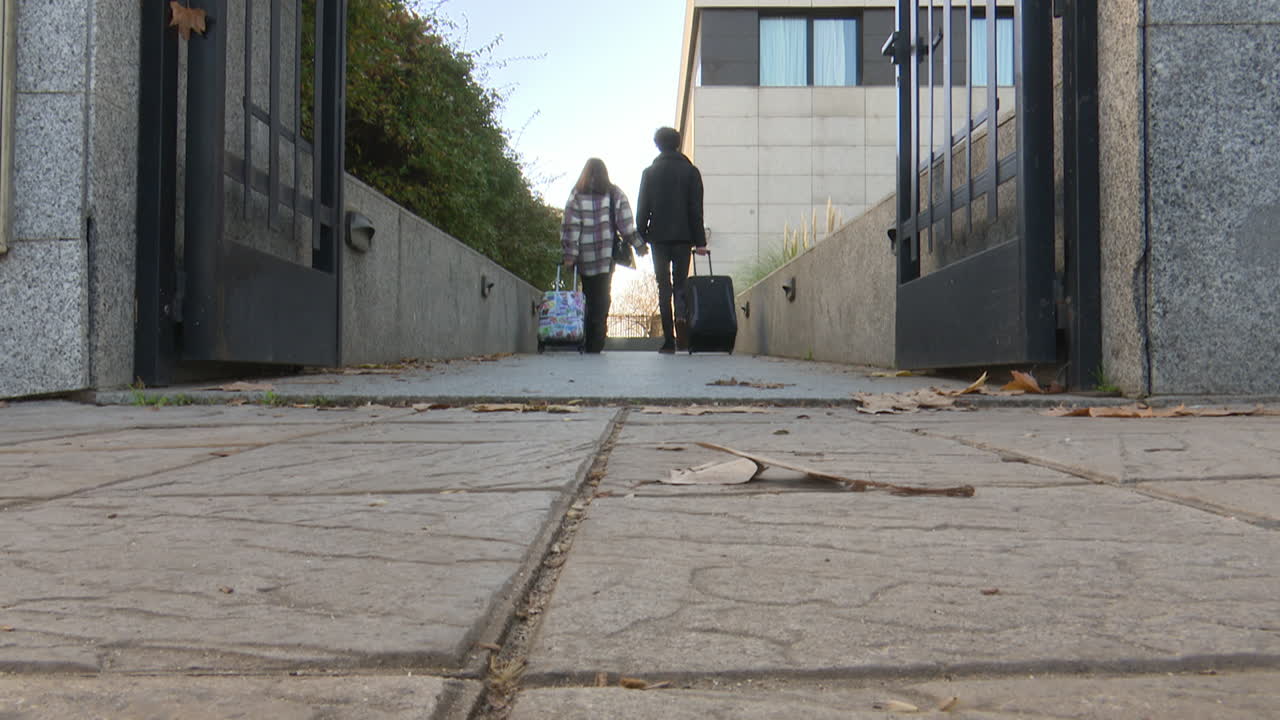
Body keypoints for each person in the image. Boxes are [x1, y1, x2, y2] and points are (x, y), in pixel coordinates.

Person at [561, 158, 647, 353]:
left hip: (584, 256)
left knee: (588, 296)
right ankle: (597, 338)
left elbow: (570, 227)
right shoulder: (614, 193)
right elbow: (626, 225)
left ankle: (587, 335)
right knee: (603, 296)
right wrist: (639, 245)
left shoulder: (576, 194)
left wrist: (570, 255)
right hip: (606, 256)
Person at [635, 126, 708, 354]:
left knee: (663, 286)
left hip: (658, 237)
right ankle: (683, 329)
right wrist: (700, 241)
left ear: (657, 145)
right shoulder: (691, 172)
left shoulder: (650, 173)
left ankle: (668, 341)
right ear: (677, 144)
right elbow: (696, 209)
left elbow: (642, 209)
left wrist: (641, 237)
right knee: (681, 285)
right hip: (684, 237)